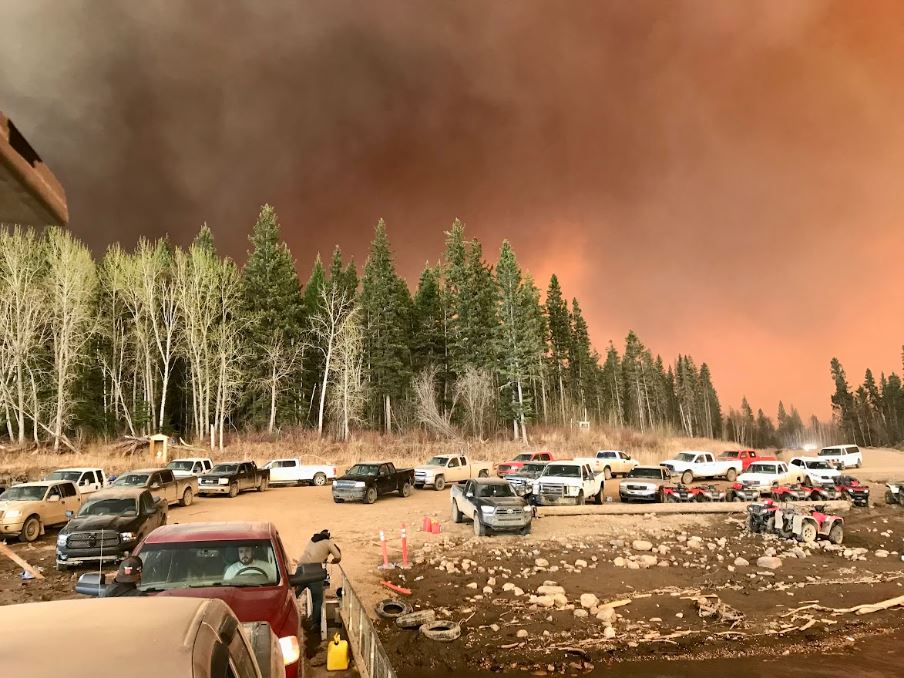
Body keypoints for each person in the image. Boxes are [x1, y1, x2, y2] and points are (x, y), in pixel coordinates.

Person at [296, 529, 341, 631]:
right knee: (317, 600)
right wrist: (334, 561)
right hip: (314, 573)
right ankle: (315, 624)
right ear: (328, 536)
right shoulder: (328, 542)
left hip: (301, 569)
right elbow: (338, 555)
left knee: (292, 596)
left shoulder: (312, 540)